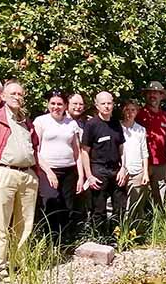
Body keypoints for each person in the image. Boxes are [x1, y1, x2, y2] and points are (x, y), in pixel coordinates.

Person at [0, 80, 39, 276]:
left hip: (28, 175)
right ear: (3, 96)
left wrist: (35, 172)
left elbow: (35, 146)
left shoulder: (26, 121)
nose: (17, 97)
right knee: (1, 223)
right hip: (5, 173)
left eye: (20, 94)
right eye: (13, 94)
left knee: (25, 224)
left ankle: (20, 262)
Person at [32, 89, 84, 243]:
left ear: (65, 106)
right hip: (47, 170)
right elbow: (36, 150)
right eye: (53, 103)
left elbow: (77, 151)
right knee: (51, 202)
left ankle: (63, 242)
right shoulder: (41, 121)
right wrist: (48, 172)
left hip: (68, 170)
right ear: (48, 105)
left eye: (60, 104)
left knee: (67, 206)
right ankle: (48, 240)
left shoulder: (71, 123)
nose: (56, 107)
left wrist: (81, 176)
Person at [80, 92, 127, 233]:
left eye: (109, 103)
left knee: (120, 207)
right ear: (97, 105)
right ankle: (99, 239)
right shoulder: (91, 125)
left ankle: (118, 237)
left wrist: (123, 168)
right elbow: (84, 151)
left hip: (116, 170)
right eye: (103, 104)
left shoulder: (116, 124)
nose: (107, 106)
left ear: (113, 104)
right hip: (98, 170)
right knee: (98, 209)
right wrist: (89, 175)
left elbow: (121, 148)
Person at [136, 81, 166, 207]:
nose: (153, 95)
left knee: (160, 198)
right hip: (143, 162)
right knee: (140, 197)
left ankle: (160, 224)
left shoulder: (165, 116)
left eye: (156, 93)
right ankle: (140, 224)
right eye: (150, 92)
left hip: (161, 163)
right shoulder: (139, 114)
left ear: (161, 96)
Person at [120, 100, 150, 213]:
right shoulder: (118, 127)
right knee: (120, 204)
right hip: (121, 171)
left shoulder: (141, 130)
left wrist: (145, 173)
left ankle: (135, 229)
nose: (130, 113)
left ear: (137, 112)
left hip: (137, 171)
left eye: (133, 110)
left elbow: (144, 152)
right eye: (127, 109)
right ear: (123, 111)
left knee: (135, 205)